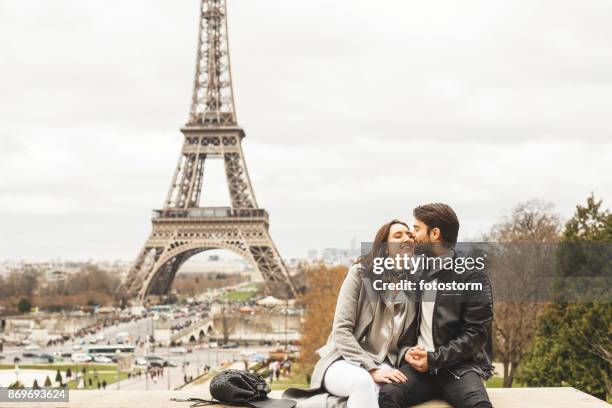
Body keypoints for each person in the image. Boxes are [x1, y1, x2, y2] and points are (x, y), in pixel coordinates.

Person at [284, 220, 419, 408]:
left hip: (385, 364)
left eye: (410, 235)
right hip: (344, 359)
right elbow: (341, 330)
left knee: (387, 392)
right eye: (398, 235)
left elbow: (405, 341)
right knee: (363, 383)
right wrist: (370, 368)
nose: (407, 238)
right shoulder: (359, 274)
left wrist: (409, 352)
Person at [378, 203, 494, 408]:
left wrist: (434, 359)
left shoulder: (472, 277)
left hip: (458, 368)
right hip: (418, 369)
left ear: (435, 234)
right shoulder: (415, 275)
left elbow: (476, 334)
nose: (412, 235)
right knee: (389, 395)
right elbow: (405, 325)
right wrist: (407, 351)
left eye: (417, 229)